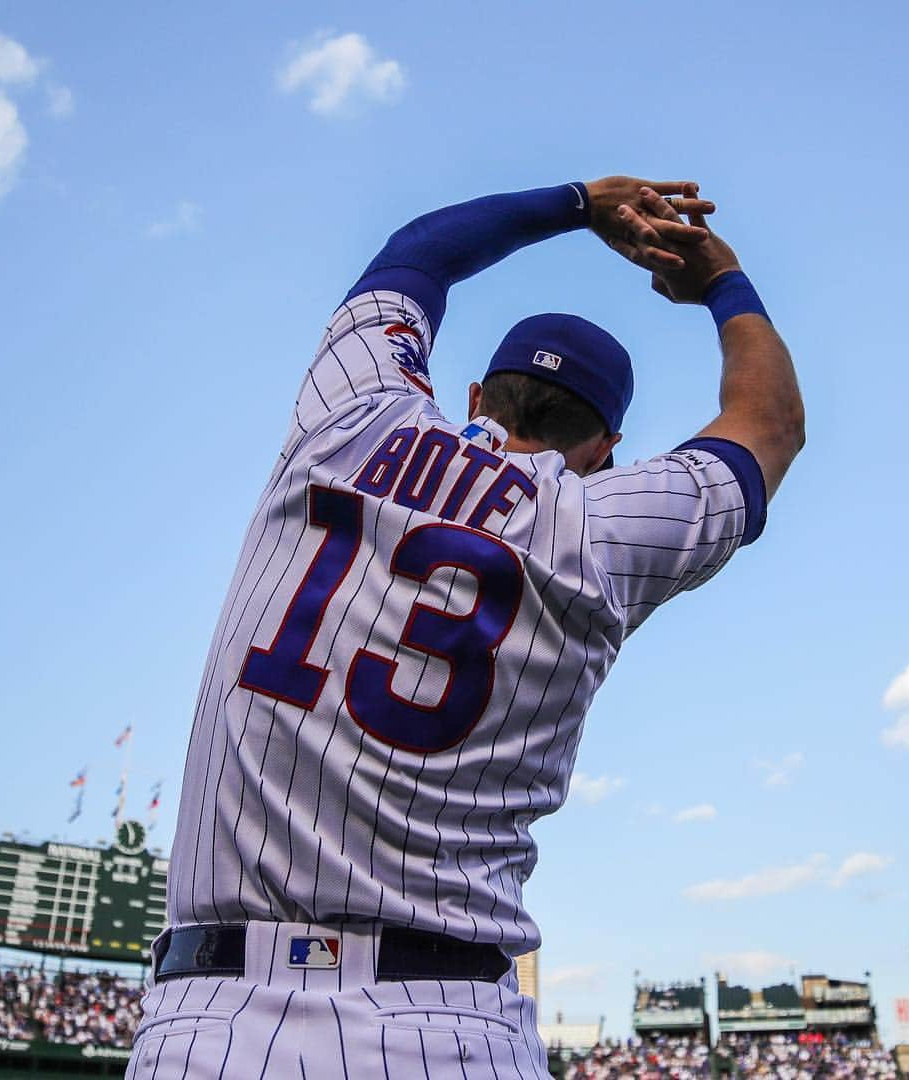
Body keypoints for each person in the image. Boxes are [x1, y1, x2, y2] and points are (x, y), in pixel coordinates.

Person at [126, 175, 804, 1078]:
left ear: (478, 394)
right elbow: (769, 426)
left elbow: (416, 256)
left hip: (209, 1021)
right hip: (449, 1028)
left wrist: (580, 201)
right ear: (608, 452)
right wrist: (724, 280)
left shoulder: (352, 419)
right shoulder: (597, 527)